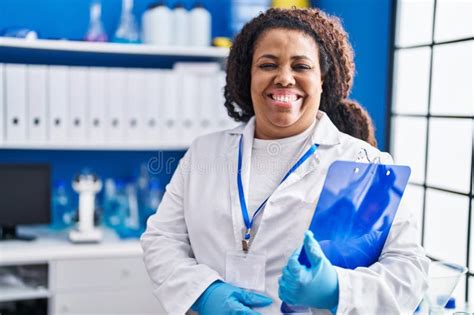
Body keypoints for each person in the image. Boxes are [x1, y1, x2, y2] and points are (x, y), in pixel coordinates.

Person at [141, 7, 429, 314]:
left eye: (301, 66)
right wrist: (204, 292)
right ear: (247, 75)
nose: (284, 78)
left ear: (322, 80)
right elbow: (161, 239)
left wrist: (336, 289)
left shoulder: (365, 164)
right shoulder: (204, 153)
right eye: (268, 64)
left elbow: (410, 272)